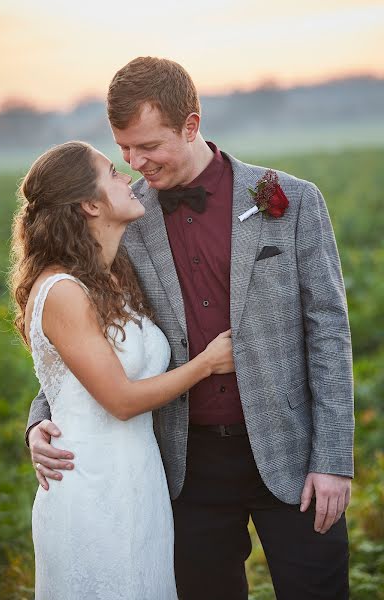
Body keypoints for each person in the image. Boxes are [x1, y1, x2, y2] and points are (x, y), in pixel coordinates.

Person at [26, 58, 354, 600]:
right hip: (183, 468)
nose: (134, 163)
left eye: (148, 146)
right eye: (124, 149)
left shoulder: (293, 202)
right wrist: (42, 419)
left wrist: (333, 461)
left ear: (191, 125)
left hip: (293, 454)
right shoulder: (126, 220)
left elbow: (330, 334)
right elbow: (90, 335)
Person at [11, 140, 234, 599]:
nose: (129, 177)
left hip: (139, 481)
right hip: (91, 487)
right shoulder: (63, 291)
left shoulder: (114, 274)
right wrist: (206, 364)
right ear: (90, 204)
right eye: (112, 172)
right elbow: (120, 400)